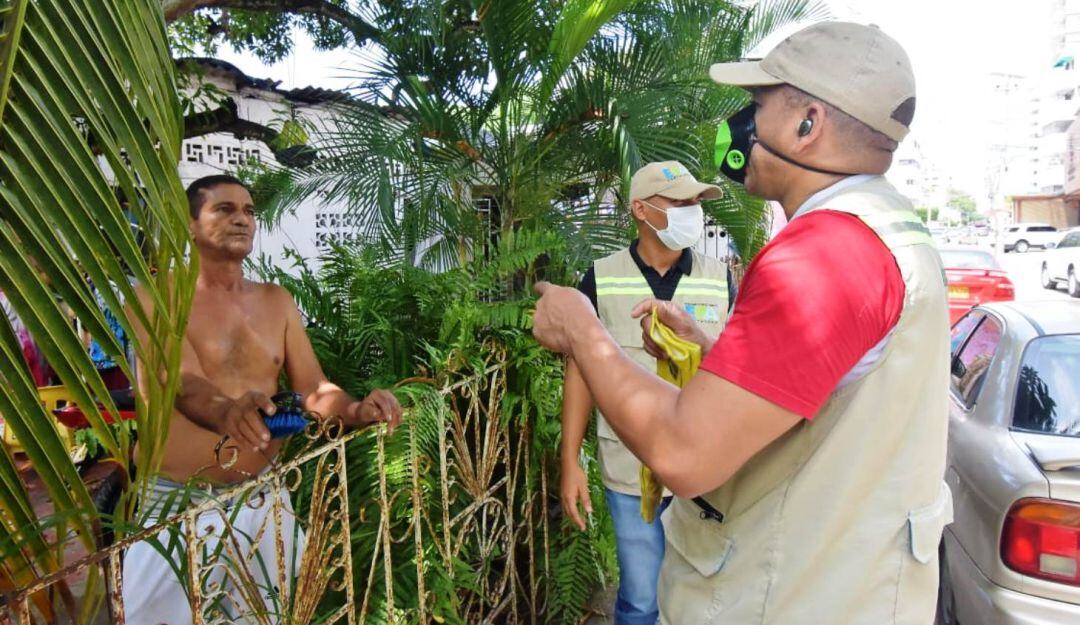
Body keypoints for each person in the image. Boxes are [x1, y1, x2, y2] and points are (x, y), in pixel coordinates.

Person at [532, 21, 950, 625]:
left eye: (757, 106)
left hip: (783, 597)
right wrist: (712, 349)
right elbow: (824, 388)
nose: (739, 125)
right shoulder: (885, 227)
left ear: (808, 125)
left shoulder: (824, 254)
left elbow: (683, 451)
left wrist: (579, 326)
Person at [121, 175, 403, 625]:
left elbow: (313, 390)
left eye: (249, 211)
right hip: (178, 500)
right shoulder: (155, 299)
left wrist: (354, 410)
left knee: (267, 618)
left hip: (262, 496)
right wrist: (227, 412)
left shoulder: (276, 301)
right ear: (189, 225)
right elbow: (182, 383)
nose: (242, 219)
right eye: (224, 209)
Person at [561, 161, 730, 625]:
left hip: (706, 472)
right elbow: (579, 370)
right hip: (629, 470)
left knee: (704, 597)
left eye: (696, 203)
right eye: (680, 203)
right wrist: (570, 461)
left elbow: (735, 370)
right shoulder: (601, 276)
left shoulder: (720, 277)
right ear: (641, 209)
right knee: (640, 599)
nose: (693, 211)